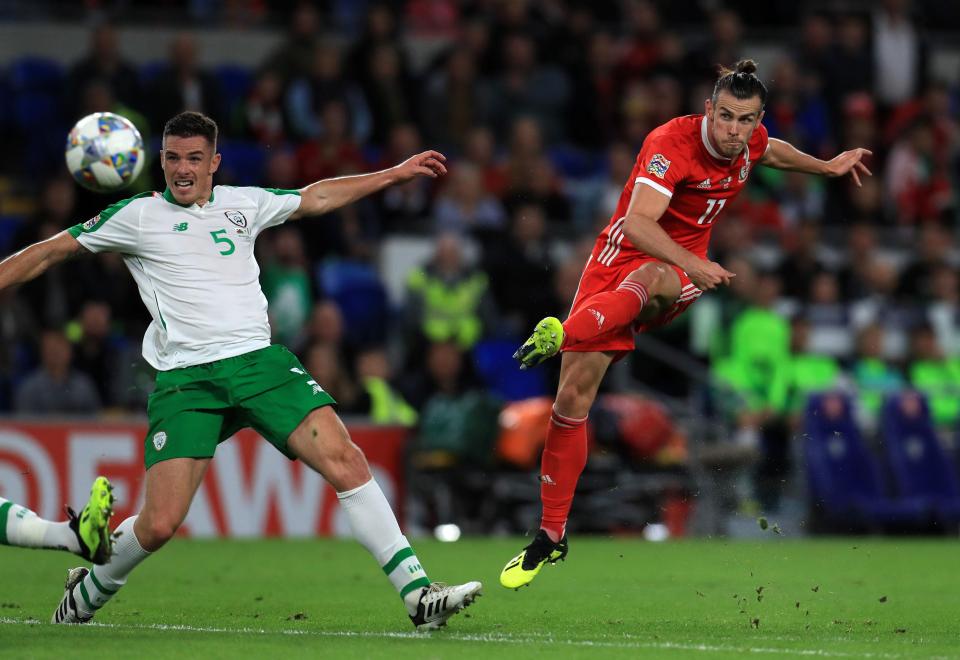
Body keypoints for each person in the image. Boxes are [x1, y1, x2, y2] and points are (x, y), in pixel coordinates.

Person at [0, 111, 481, 629]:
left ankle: (417, 594)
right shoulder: (136, 215)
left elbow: (315, 197)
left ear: (214, 163)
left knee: (346, 459)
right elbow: (50, 253)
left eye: (194, 159)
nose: (182, 170)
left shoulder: (243, 203)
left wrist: (392, 173)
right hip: (187, 379)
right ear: (160, 161)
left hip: (258, 363)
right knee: (159, 524)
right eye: (172, 159)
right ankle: (84, 596)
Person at [500, 60, 872, 589]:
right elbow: (636, 222)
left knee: (653, 276)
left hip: (675, 271)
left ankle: (563, 331)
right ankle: (551, 536)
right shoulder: (669, 144)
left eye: (746, 121)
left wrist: (827, 166)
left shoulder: (750, 142)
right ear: (707, 111)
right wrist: (696, 261)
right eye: (726, 118)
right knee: (572, 400)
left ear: (757, 118)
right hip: (616, 260)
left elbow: (775, 150)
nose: (735, 131)